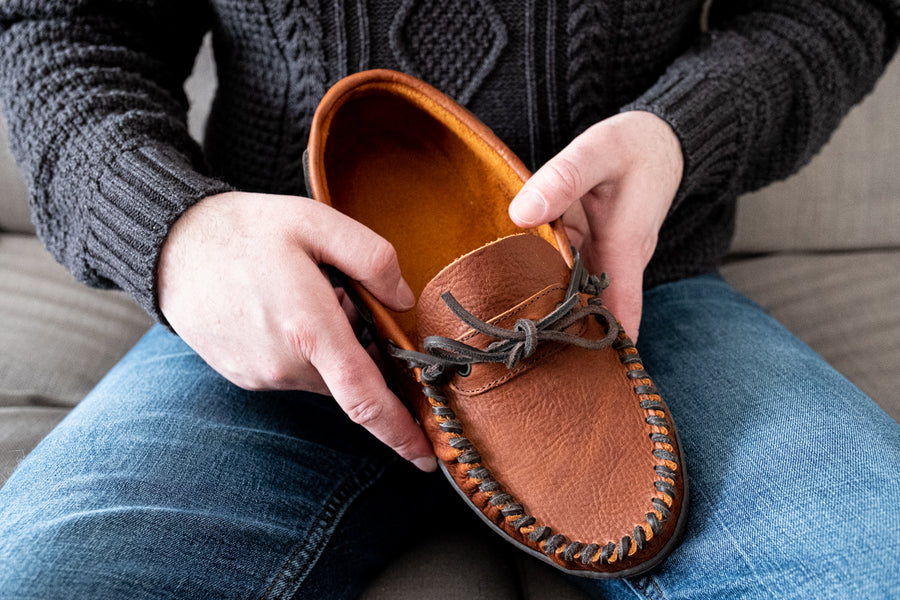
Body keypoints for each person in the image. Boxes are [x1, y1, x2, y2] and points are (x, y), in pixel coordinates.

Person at [1, 0, 899, 598]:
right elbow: (54, 17)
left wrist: (685, 131)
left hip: (620, 299)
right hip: (280, 315)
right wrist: (173, 229)